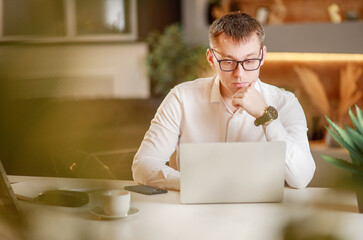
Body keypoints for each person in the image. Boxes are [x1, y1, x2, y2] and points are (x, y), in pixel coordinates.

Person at [132, 12, 316, 190]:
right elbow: (143, 166)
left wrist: (266, 116)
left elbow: (301, 178)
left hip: (263, 216)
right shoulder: (181, 98)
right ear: (212, 58)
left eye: (250, 60)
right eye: (228, 62)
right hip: (193, 212)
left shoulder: (285, 103)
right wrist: (196, 183)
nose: (240, 74)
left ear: (262, 56)